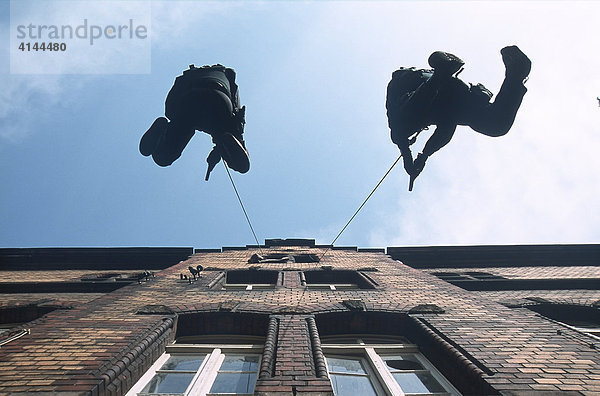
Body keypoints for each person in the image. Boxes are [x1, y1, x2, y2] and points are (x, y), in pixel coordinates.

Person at [386, 45, 531, 190]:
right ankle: (516, 73)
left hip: (430, 86)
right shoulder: (441, 117)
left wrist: (411, 158)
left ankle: (440, 73)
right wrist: (423, 156)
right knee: (496, 124)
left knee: (400, 127)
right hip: (453, 97)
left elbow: (399, 137)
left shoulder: (399, 119)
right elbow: (446, 129)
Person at [139, 64, 250, 180]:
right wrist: (222, 146)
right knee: (241, 164)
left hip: (188, 100)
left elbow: (173, 96)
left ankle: (162, 128)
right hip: (218, 98)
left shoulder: (191, 75)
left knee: (163, 158)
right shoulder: (227, 75)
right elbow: (237, 117)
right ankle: (225, 141)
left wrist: (173, 118)